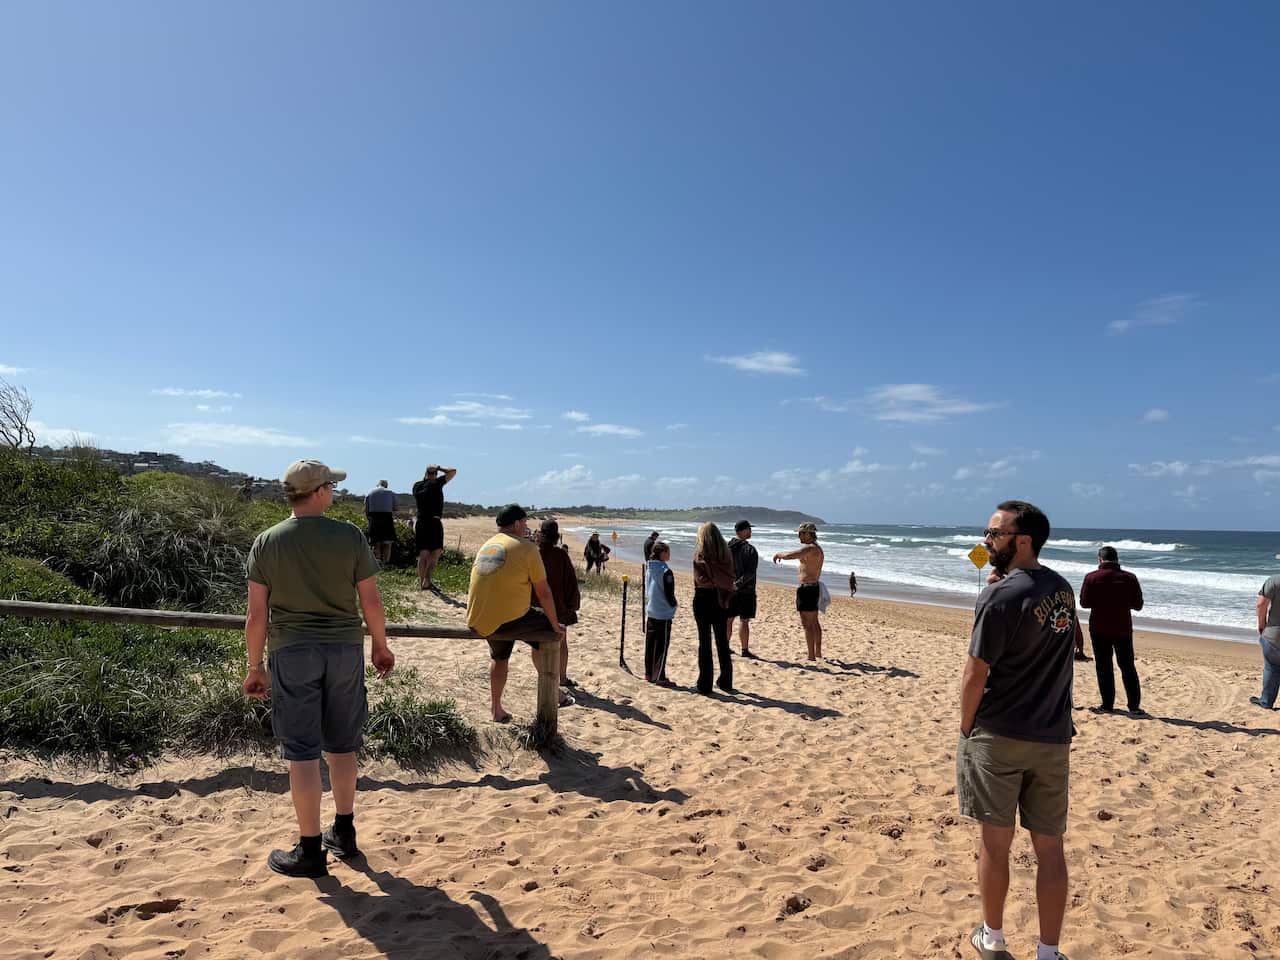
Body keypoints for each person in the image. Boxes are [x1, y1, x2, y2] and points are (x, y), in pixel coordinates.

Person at [243, 459, 396, 878]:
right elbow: (371, 602)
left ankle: (311, 850)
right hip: (345, 649)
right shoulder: (348, 537)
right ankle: (343, 832)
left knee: (303, 754)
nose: (333, 492)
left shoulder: (268, 541)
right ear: (319, 492)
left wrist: (255, 667)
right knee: (343, 745)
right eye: (330, 486)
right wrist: (380, 645)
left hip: (293, 652)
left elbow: (257, 616)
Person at [956, 501, 1075, 960]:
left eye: (994, 533)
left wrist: (966, 727)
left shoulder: (1000, 597)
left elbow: (975, 673)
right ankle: (1048, 951)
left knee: (996, 843)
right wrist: (997, 582)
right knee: (1050, 849)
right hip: (1051, 735)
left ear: (1022, 539)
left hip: (1000, 732)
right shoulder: (1061, 589)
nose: (985, 541)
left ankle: (994, 936)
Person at [467, 504, 566, 723]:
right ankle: (554, 694)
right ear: (517, 524)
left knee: (500, 657)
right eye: (526, 523)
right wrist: (555, 623)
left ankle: (496, 709)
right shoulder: (527, 548)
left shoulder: (487, 544)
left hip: (479, 618)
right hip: (508, 620)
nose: (527, 528)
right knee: (549, 634)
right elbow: (544, 592)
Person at [1079, 546, 1145, 715]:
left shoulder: (1091, 577)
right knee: (1127, 666)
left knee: (1104, 666)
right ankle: (1134, 706)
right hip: (1122, 627)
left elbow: (1084, 603)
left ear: (1100, 560)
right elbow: (1138, 605)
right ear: (1117, 559)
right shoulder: (1130, 578)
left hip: (1099, 627)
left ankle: (1107, 705)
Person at [531, 519, 581, 702]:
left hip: (535, 605)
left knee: (536, 643)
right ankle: (562, 678)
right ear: (557, 536)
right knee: (562, 642)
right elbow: (571, 582)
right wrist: (572, 605)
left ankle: (544, 675)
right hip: (558, 606)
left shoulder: (534, 554)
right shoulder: (560, 555)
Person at [693, 522, 736, 694]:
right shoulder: (726, 555)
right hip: (721, 598)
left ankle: (705, 683)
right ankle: (726, 681)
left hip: (704, 598)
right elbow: (731, 576)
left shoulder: (701, 554)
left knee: (704, 642)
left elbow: (700, 580)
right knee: (722, 642)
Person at [773, 522, 826, 660]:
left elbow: (791, 555)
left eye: (802, 533)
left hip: (808, 589)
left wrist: (778, 554)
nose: (799, 535)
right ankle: (817, 652)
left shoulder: (810, 549)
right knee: (814, 622)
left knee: (807, 624)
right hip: (813, 587)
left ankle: (811, 656)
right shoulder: (816, 549)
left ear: (809, 534)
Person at [412, 464, 457, 591]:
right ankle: (427, 579)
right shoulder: (436, 483)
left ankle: (423, 582)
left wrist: (434, 471)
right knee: (435, 551)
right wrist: (439, 468)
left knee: (425, 552)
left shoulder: (417, 486)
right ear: (432, 474)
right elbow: (453, 472)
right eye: (433, 473)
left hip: (421, 521)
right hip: (433, 521)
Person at [644, 540, 677, 685]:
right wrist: (673, 605)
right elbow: (669, 594)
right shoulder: (665, 571)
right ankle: (660, 676)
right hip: (663, 612)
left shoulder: (649, 567)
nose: (669, 554)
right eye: (668, 552)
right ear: (662, 553)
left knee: (650, 644)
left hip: (651, 609)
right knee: (661, 646)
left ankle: (649, 673)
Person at [726, 520, 759, 657]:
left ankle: (725, 646)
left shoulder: (727, 547)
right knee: (744, 620)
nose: (750, 532)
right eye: (748, 529)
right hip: (746, 590)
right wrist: (738, 584)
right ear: (741, 531)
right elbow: (750, 573)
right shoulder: (750, 549)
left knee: (728, 619)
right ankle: (744, 650)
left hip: (729, 589)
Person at [1251, 571, 1280, 710]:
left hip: (1274, 634)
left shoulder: (1274, 580)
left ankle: (1266, 701)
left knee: (1272, 667)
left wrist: (1261, 625)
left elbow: (1261, 605)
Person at [363, 479, 397, 565]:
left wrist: (369, 519)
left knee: (376, 543)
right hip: (387, 519)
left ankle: (375, 565)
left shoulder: (370, 493)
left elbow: (366, 509)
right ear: (386, 485)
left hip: (374, 519)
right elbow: (395, 508)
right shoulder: (391, 493)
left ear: (377, 485)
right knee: (388, 544)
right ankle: (385, 564)